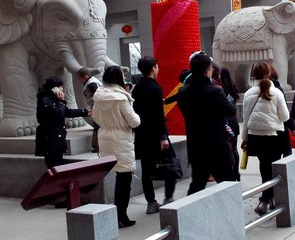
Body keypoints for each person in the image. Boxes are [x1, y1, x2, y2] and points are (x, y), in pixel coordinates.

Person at [176, 52, 237, 194]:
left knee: (197, 185)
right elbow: (231, 112)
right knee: (227, 184)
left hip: (196, 146)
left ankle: (189, 213)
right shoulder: (215, 92)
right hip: (217, 146)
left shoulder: (183, 93)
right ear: (206, 72)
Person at [92, 66, 141, 228]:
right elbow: (134, 121)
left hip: (105, 137)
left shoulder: (98, 96)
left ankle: (118, 214)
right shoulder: (121, 98)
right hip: (121, 139)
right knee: (124, 179)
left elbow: (96, 118)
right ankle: (121, 215)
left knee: (119, 177)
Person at [241, 63, 290, 215]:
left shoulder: (248, 94)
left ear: (253, 75)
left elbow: (246, 118)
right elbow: (285, 116)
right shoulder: (276, 92)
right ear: (269, 73)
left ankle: (267, 198)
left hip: (256, 136)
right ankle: (267, 198)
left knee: (264, 167)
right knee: (275, 167)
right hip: (274, 136)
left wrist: (245, 138)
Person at [132, 56, 176, 213]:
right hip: (156, 134)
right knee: (171, 164)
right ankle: (168, 197)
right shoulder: (155, 88)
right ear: (153, 68)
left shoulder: (137, 88)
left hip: (143, 135)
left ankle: (151, 202)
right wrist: (163, 136)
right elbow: (158, 114)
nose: (158, 69)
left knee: (146, 170)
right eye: (157, 66)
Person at [35, 76, 90, 170]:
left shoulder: (53, 100)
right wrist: (61, 101)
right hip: (50, 140)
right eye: (60, 87)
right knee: (54, 167)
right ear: (54, 88)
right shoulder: (45, 101)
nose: (62, 90)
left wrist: (84, 112)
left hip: (56, 139)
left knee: (58, 165)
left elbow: (67, 112)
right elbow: (59, 113)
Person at [219, 66, 241, 181]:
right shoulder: (233, 87)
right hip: (234, 122)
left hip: (225, 123)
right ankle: (236, 172)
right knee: (234, 148)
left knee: (227, 149)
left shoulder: (219, 89)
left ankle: (230, 173)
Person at [77, 68, 102, 152]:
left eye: (79, 78)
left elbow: (97, 97)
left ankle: (97, 145)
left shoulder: (92, 84)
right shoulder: (92, 82)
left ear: (85, 77)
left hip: (98, 107)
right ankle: (96, 145)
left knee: (97, 126)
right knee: (97, 126)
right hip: (96, 107)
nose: (79, 80)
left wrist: (94, 108)